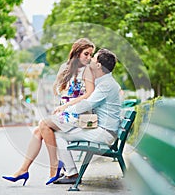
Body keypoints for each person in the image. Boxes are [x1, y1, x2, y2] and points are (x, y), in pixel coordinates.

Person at [2, 38, 95, 186]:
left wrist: (67, 105)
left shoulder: (88, 71)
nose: (89, 58)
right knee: (38, 131)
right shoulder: (65, 68)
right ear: (77, 53)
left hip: (79, 115)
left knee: (43, 124)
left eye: (90, 54)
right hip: (66, 114)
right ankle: (23, 170)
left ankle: (54, 167)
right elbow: (57, 90)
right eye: (86, 54)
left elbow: (89, 94)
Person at [39, 48, 121, 184]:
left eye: (94, 58)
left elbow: (87, 104)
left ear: (99, 65)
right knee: (58, 131)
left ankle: (72, 174)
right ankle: (70, 172)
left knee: (57, 134)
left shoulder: (106, 85)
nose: (91, 59)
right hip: (104, 130)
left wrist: (65, 109)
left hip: (104, 134)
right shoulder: (105, 82)